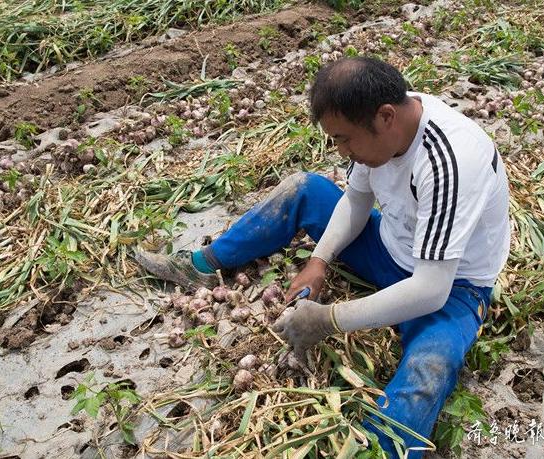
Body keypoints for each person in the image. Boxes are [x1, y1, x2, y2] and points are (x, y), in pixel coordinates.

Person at [136, 56, 510, 457]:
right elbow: (356, 199)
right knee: (306, 189)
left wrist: (329, 319)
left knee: (431, 365)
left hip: (451, 285)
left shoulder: (449, 159)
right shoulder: (383, 126)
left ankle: (377, 450)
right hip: (391, 246)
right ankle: (203, 264)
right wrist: (319, 260)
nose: (342, 149)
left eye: (345, 139)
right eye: (335, 139)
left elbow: (430, 290)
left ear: (386, 117)